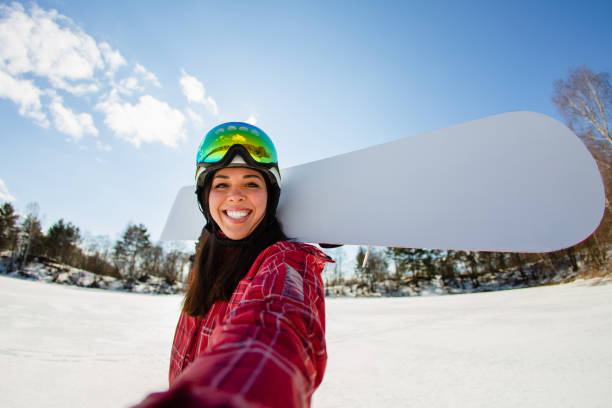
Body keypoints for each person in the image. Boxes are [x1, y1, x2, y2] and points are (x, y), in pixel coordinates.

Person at [135, 122, 332, 408]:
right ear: (206, 198)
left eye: (251, 183)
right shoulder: (207, 257)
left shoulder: (286, 261)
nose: (235, 196)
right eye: (222, 184)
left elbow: (272, 329)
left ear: (271, 195)